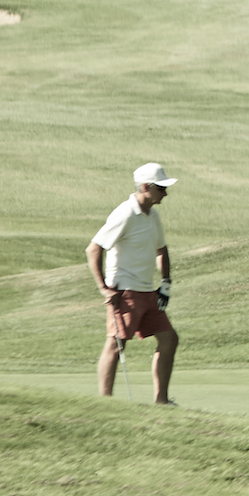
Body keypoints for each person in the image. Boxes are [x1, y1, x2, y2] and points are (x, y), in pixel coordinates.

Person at [87, 162, 181, 402]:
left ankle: (162, 400)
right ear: (146, 187)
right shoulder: (125, 213)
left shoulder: (152, 215)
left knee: (169, 338)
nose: (165, 193)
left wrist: (166, 283)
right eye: (161, 188)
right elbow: (94, 249)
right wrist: (104, 288)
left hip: (147, 292)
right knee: (116, 345)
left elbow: (161, 250)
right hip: (124, 292)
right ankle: (105, 402)